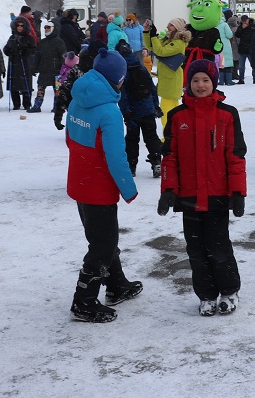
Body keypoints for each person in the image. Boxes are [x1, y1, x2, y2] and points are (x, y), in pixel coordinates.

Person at [157, 59, 246, 316]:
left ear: (214, 82)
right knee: (195, 251)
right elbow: (169, 157)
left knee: (219, 249)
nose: (200, 85)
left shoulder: (227, 115)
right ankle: (206, 294)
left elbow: (236, 156)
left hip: (218, 195)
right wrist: (168, 190)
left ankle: (229, 291)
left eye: (205, 80)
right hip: (189, 197)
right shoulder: (177, 116)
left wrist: (238, 192)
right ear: (188, 83)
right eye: (195, 80)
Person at [65, 48, 140, 323]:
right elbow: (116, 157)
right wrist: (128, 189)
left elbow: (69, 138)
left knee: (102, 239)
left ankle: (117, 284)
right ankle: (83, 302)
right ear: (117, 79)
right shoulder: (109, 111)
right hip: (99, 188)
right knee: (103, 244)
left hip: (80, 181)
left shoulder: (77, 98)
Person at [115, 41, 164, 178]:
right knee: (151, 137)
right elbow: (152, 89)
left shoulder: (122, 71)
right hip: (148, 110)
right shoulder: (141, 67)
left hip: (133, 112)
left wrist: (126, 112)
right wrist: (155, 106)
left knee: (132, 140)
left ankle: (131, 166)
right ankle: (156, 162)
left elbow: (123, 95)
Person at [144, 17, 190, 119]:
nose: (167, 27)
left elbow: (161, 51)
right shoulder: (169, 40)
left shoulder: (178, 43)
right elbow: (151, 46)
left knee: (166, 110)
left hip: (172, 79)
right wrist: (147, 32)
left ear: (177, 27)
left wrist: (154, 36)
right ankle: (174, 133)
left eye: (171, 25)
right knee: (173, 109)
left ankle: (169, 134)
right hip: (167, 78)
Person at [30, 20, 67, 113]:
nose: (46, 29)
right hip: (44, 70)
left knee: (57, 90)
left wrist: (63, 69)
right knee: (40, 89)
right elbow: (37, 56)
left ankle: (57, 107)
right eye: (45, 27)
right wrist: (34, 68)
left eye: (48, 27)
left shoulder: (59, 42)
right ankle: (37, 106)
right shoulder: (42, 42)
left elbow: (63, 56)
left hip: (57, 71)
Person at [3, 16, 36, 110]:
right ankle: (16, 104)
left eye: (22, 26)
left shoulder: (29, 38)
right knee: (14, 84)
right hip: (14, 62)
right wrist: (8, 51)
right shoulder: (12, 37)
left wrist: (26, 51)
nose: (20, 27)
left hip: (25, 63)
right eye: (18, 26)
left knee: (25, 84)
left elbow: (33, 50)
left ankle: (27, 103)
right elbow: (6, 47)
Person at [233, 15, 254, 84]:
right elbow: (237, 35)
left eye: (245, 20)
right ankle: (241, 79)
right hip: (242, 49)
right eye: (243, 21)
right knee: (241, 66)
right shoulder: (240, 26)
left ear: (248, 20)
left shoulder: (253, 26)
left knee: (253, 65)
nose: (244, 22)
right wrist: (242, 28)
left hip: (251, 48)